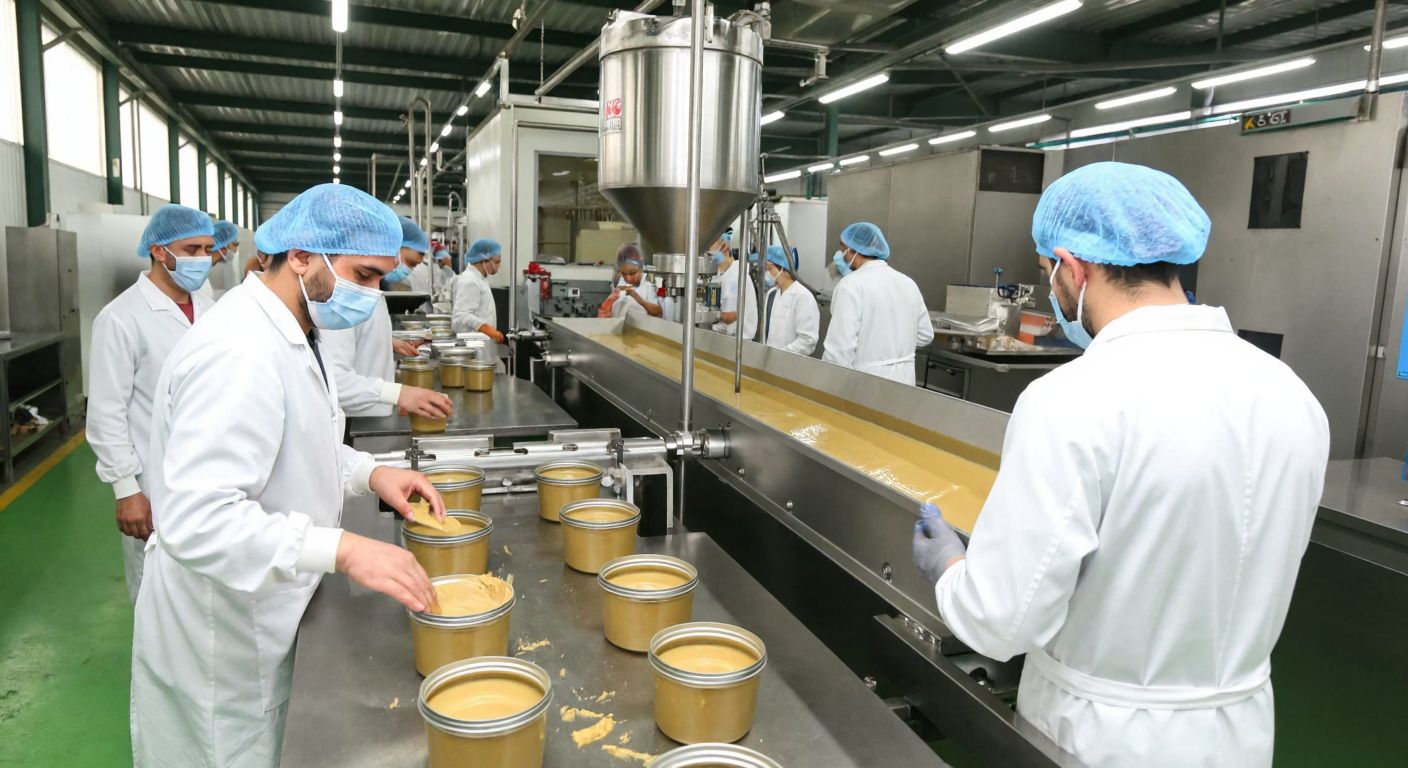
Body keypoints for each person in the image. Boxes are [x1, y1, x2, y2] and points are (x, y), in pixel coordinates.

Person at [911, 162, 1330, 768]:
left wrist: (950, 567)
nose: (1052, 290)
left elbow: (1003, 621)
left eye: (1047, 273)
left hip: (1098, 737)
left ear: (1073, 267)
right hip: (1238, 732)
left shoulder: (1072, 399)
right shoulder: (1291, 394)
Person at [131, 184, 446, 767]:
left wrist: (372, 473)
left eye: (380, 280)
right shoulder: (239, 351)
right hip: (222, 633)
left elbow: (301, 445)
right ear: (301, 255)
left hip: (268, 605)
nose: (371, 295)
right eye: (365, 275)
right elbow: (197, 519)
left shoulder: (299, 330)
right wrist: (344, 548)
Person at [87, 204, 214, 603]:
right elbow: (107, 411)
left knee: (209, 590)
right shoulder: (121, 318)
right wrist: (126, 490)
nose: (203, 259)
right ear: (159, 251)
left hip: (214, 470)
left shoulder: (209, 308)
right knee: (156, 590)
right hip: (155, 480)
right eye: (191, 249)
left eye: (208, 249)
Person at [322, 215, 452, 419]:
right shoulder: (342, 297)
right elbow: (331, 381)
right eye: (407, 262)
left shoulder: (371, 288)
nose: (404, 269)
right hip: (356, 419)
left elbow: (356, 333)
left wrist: (388, 342)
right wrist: (398, 394)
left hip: (375, 411)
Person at [821, 222, 933, 384]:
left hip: (866, 381)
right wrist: (892, 344)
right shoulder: (907, 282)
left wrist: (827, 384)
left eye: (843, 248)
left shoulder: (850, 285)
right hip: (906, 381)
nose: (841, 254)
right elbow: (925, 335)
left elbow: (840, 349)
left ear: (854, 250)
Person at [759, 245, 819, 355]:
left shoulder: (803, 296)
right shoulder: (772, 294)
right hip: (770, 359)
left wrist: (783, 354)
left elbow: (808, 340)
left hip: (791, 362)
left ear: (783, 268)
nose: (766, 273)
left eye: (769, 268)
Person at [451, 238, 505, 342]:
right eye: (497, 262)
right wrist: (485, 328)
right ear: (484, 260)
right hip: (473, 343)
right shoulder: (469, 281)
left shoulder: (480, 278)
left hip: (481, 342)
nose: (499, 266)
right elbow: (461, 316)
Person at [597, 243, 661, 320]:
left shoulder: (649, 285)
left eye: (632, 273)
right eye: (624, 273)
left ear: (640, 267)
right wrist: (610, 300)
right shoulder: (620, 282)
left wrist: (638, 298)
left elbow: (658, 312)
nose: (628, 278)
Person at [709, 241, 758, 339]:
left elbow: (729, 317)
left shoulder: (735, 276)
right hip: (725, 337)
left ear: (725, 250)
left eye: (709, 254)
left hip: (739, 340)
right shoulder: (720, 275)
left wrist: (706, 314)